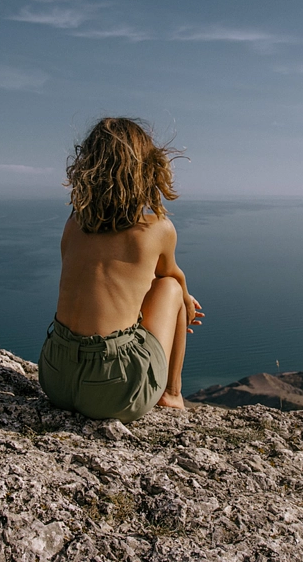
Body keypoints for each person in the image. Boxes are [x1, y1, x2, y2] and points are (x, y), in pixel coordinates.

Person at [38, 117, 203, 422]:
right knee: (170, 288)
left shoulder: (74, 224)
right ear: (148, 169)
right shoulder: (158, 228)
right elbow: (171, 279)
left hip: (55, 377)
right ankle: (172, 394)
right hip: (113, 391)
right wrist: (185, 304)